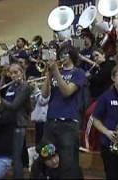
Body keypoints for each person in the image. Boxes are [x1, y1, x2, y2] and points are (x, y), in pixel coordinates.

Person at [41, 45, 86, 178]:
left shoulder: (78, 72)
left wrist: (55, 72)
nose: (62, 57)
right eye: (60, 54)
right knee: (49, 158)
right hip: (51, 120)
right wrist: (48, 75)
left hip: (68, 122)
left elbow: (67, 92)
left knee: (67, 161)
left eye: (66, 53)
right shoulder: (56, 72)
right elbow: (44, 94)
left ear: (72, 55)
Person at [4, 63, 32, 178]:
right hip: (10, 123)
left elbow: (14, 105)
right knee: (12, 156)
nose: (14, 75)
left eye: (16, 72)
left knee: (16, 157)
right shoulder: (11, 87)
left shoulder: (25, 86)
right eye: (11, 73)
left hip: (19, 124)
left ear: (22, 72)